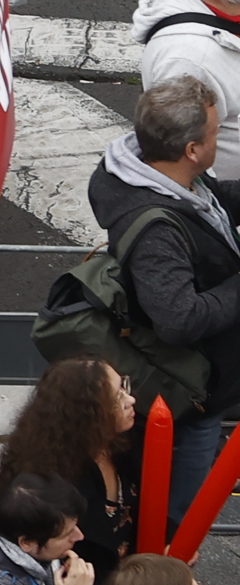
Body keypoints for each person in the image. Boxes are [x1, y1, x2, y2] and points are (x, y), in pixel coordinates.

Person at [87, 81, 240, 515]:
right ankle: (164, 574)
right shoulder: (156, 230)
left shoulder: (162, 170)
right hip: (189, 401)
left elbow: (212, 203)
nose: (218, 138)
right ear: (192, 149)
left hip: (200, 386)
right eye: (214, 134)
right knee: (174, 515)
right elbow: (179, 317)